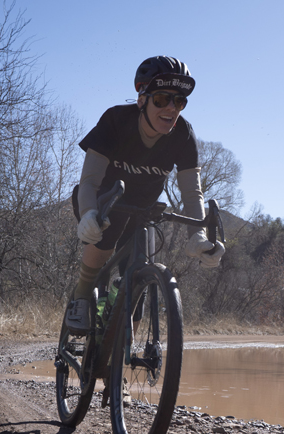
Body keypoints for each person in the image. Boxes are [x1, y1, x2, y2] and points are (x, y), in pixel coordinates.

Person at [65, 56, 226, 334]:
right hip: (103, 199)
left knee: (138, 277)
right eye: (162, 99)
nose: (171, 108)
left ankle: (117, 356)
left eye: (179, 101)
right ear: (142, 99)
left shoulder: (183, 134)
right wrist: (89, 214)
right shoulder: (116, 120)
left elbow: (192, 191)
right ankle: (81, 294)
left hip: (144, 207)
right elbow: (90, 181)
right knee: (107, 232)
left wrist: (198, 237)